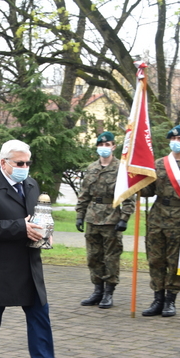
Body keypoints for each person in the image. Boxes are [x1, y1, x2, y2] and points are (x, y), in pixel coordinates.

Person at [0, 139, 73, 358]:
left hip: (28, 260)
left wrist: (45, 231)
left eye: (27, 163)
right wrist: (20, 227)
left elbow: (38, 216)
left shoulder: (31, 184)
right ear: (3, 162)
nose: (24, 167)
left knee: (39, 312)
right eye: (19, 163)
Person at [140, 124, 180, 317]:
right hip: (157, 215)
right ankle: (157, 298)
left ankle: (170, 300)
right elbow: (148, 192)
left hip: (179, 216)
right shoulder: (158, 164)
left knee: (174, 261)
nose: (176, 143)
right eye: (173, 140)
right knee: (155, 259)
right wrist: (137, 181)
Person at [75, 131, 135, 309]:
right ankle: (97, 290)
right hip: (93, 217)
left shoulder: (121, 169)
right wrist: (80, 215)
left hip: (112, 218)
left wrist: (124, 218)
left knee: (111, 257)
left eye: (107, 145)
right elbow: (84, 194)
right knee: (93, 256)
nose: (103, 148)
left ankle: (109, 292)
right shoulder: (92, 168)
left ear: (113, 146)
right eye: (100, 145)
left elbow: (129, 197)